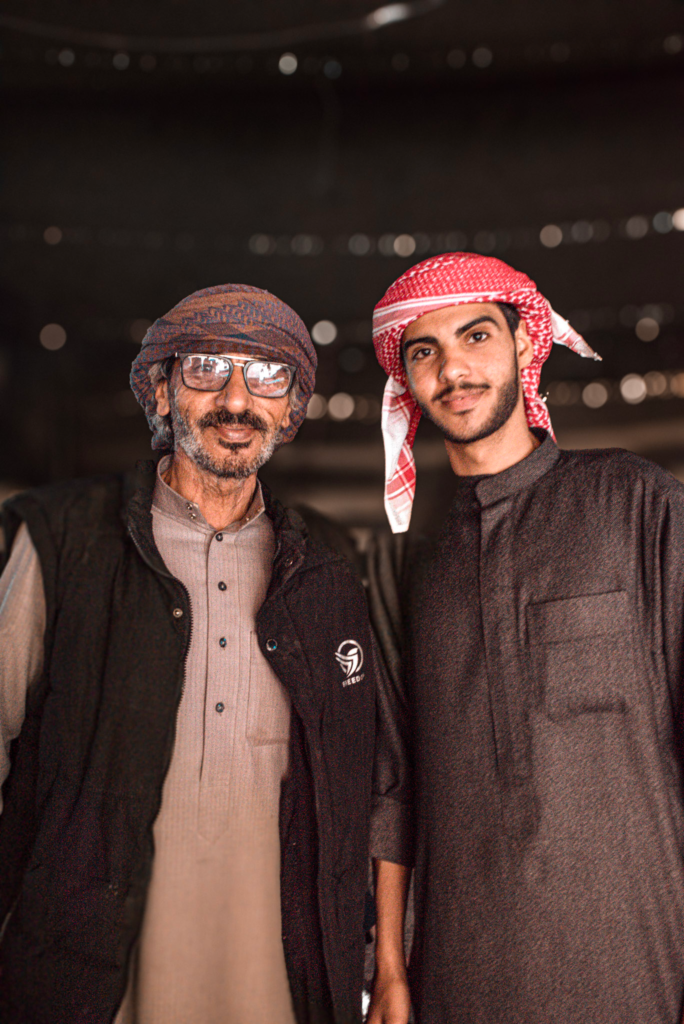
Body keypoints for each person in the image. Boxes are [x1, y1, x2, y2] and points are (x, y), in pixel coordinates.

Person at [0, 284, 383, 1024]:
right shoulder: (65, 541)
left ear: (291, 407)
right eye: (208, 367)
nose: (236, 399)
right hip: (82, 980)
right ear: (163, 389)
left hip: (275, 986)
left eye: (268, 375)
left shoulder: (327, 570)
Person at [366, 252, 684, 1024]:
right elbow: (393, 781)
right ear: (405, 381)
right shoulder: (401, 556)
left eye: (476, 336)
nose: (453, 369)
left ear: (523, 345)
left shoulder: (638, 503)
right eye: (424, 352)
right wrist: (390, 972)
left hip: (640, 963)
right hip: (459, 973)